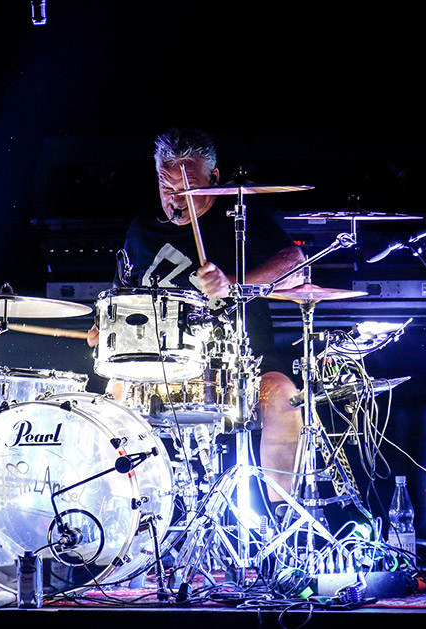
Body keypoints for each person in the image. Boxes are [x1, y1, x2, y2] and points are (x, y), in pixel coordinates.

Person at [87, 128, 307, 509]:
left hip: (241, 365)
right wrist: (103, 328)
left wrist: (232, 283)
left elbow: (295, 267)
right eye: (166, 186)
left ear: (214, 178)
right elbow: (121, 295)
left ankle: (281, 524)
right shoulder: (142, 227)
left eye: (187, 185)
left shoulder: (240, 215)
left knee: (283, 396)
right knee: (110, 401)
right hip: (155, 365)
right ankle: (122, 521)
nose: (176, 198)